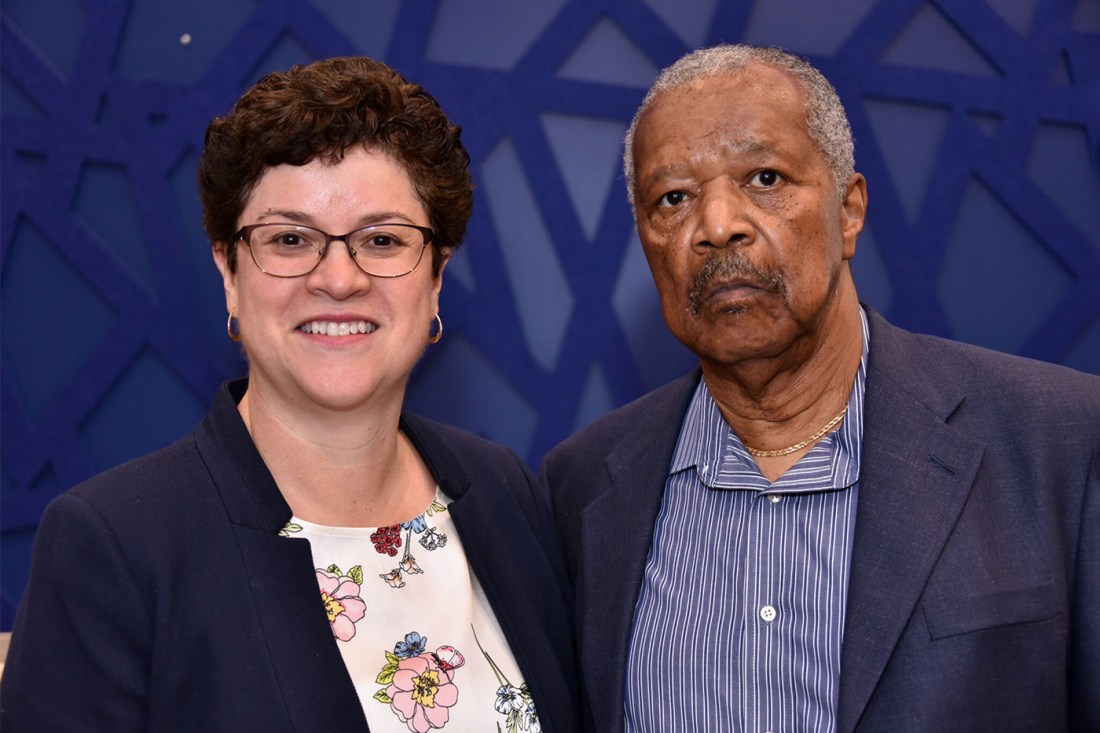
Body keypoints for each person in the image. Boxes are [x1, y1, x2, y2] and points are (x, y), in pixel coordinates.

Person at [1, 56, 581, 732]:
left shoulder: (504, 491)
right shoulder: (114, 546)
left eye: (383, 239)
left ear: (436, 276)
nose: (338, 278)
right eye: (290, 239)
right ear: (230, 271)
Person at [540, 44, 1099, 733]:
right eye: (673, 197)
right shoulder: (583, 489)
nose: (717, 226)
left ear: (850, 211)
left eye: (765, 177)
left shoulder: (1064, 443)